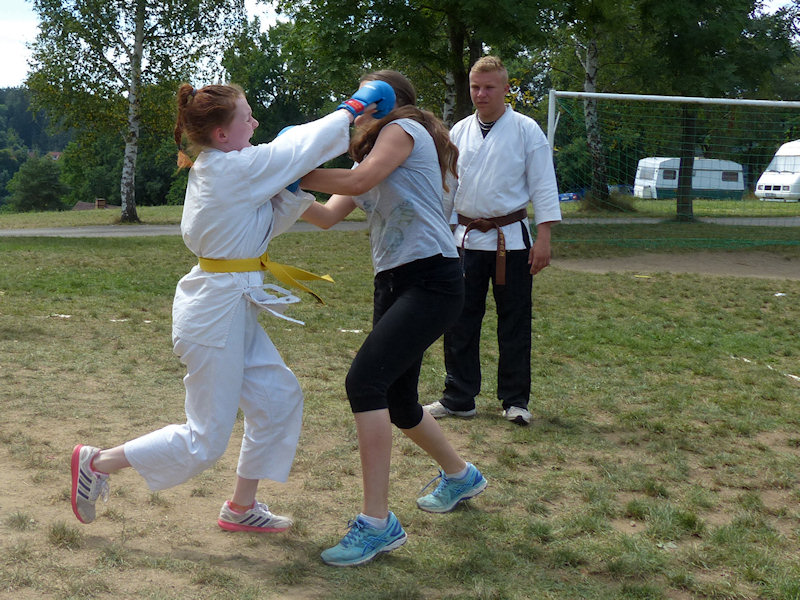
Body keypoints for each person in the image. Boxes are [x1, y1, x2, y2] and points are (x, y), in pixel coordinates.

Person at [70, 80, 395, 532]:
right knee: (204, 440)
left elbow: (273, 202)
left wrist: (291, 183)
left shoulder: (229, 169)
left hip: (231, 307)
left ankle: (241, 508)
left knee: (278, 399)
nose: (256, 123)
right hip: (214, 314)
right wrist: (353, 107)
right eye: (247, 117)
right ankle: (97, 463)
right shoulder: (230, 170)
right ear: (222, 134)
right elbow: (298, 147)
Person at [299, 70, 488, 567]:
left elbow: (358, 182)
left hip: (432, 279)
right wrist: (278, 192)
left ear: (386, 102)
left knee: (364, 384)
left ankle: (377, 524)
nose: (357, 109)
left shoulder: (404, 130)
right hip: (394, 281)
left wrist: (285, 171)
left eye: (365, 99)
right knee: (400, 401)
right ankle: (461, 476)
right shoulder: (371, 154)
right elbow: (327, 215)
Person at [423, 56, 562, 426]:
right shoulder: (459, 130)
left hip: (511, 241)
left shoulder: (526, 129)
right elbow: (448, 187)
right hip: (465, 240)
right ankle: (459, 397)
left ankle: (515, 400)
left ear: (505, 89)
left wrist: (544, 238)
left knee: (514, 321)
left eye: (488, 87)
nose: (481, 94)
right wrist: (440, 234)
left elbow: (543, 184)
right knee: (458, 320)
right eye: (475, 87)